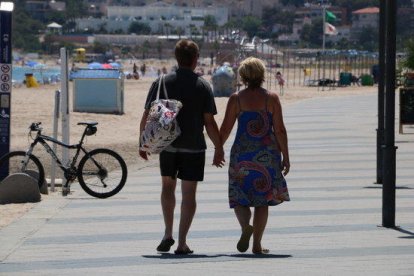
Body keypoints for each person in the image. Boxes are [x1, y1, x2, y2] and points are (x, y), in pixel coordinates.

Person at [139, 39, 224, 255]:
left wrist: (143, 142)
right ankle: (182, 242)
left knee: (167, 187)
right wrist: (219, 147)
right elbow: (210, 122)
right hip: (193, 147)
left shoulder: (160, 82)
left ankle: (168, 233)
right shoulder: (203, 86)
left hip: (167, 145)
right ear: (196, 59)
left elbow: (148, 115)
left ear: (177, 58)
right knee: (189, 194)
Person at [219, 57, 290, 254]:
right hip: (267, 155)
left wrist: (218, 149)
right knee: (262, 200)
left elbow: (225, 129)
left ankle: (245, 227)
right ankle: (257, 245)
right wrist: (286, 156)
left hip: (241, 155)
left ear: (242, 76)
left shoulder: (236, 99)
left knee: (239, 197)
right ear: (262, 75)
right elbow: (281, 130)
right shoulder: (271, 99)